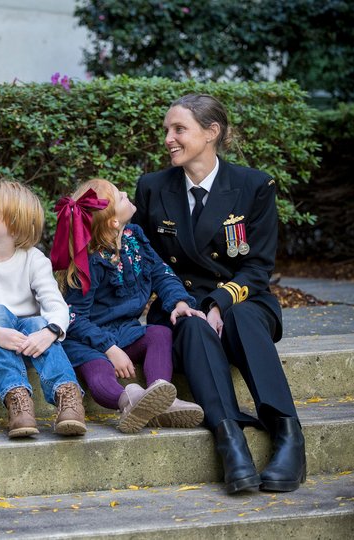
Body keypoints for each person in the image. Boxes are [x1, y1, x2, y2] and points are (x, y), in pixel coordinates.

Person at [133, 93, 306, 494]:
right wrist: (185, 303)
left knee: (242, 316)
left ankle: (288, 435)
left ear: (211, 133)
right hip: (181, 302)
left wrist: (220, 303)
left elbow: (258, 267)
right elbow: (147, 260)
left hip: (243, 300)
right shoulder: (153, 187)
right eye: (167, 130)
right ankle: (231, 444)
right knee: (192, 328)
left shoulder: (253, 185)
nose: (168, 139)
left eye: (179, 130)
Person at [52, 178, 205, 434]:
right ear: (113, 222)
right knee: (98, 370)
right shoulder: (88, 261)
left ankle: (159, 395)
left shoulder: (135, 237)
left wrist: (178, 301)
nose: (125, 192)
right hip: (86, 339)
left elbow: (160, 272)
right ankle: (129, 400)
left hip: (124, 330)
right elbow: (74, 316)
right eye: (120, 197)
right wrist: (109, 349)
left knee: (159, 332)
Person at [0, 180, 86, 439]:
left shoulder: (34, 259)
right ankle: (18, 400)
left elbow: (56, 305)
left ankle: (68, 397)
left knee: (39, 323)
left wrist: (49, 333)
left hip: (27, 344)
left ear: (15, 224)